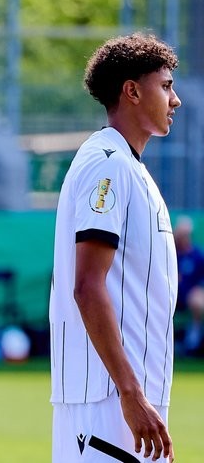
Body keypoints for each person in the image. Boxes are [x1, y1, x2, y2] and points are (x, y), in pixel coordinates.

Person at [50, 33, 180, 462]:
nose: (174, 99)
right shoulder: (107, 164)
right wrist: (129, 393)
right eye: (165, 86)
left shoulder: (131, 169)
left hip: (133, 393)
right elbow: (87, 286)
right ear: (132, 91)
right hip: (106, 399)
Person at [173, 215, 204, 355]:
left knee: (198, 300)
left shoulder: (197, 255)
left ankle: (193, 338)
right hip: (170, 293)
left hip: (188, 296)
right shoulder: (171, 253)